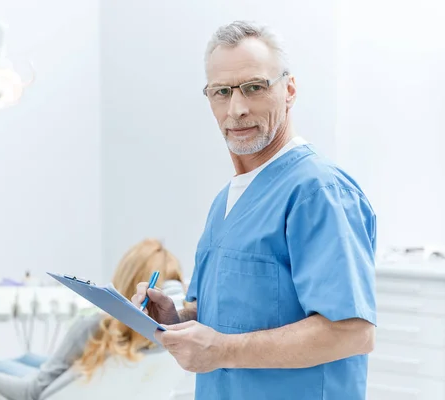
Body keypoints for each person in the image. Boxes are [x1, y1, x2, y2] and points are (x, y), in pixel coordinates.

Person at [131, 21, 377, 400]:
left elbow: (352, 333)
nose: (237, 108)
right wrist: (176, 319)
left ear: (289, 90)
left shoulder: (318, 192)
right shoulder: (225, 202)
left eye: (254, 88)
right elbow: (228, 313)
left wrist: (224, 350)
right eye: (221, 92)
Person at [0, 238, 184, 400]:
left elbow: (32, 392)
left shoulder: (95, 328)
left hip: (41, 387)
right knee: (27, 358)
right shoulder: (168, 347)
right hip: (68, 376)